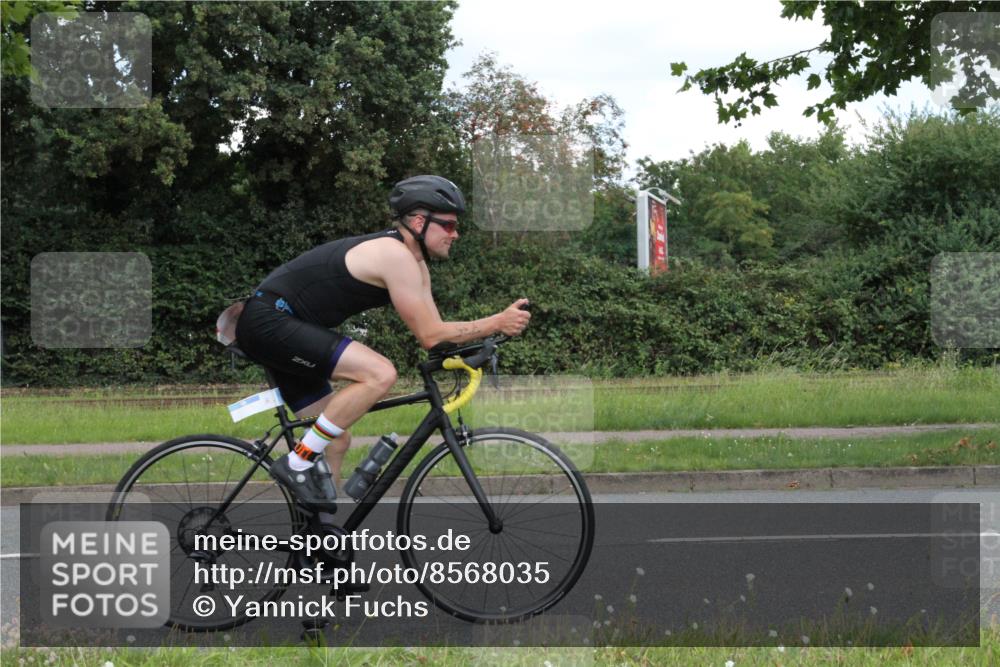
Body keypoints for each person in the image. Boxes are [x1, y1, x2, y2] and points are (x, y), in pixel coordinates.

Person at [234, 175, 531, 512]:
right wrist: (496, 322)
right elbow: (432, 334)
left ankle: (316, 544)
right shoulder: (395, 255)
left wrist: (477, 347)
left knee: (335, 439)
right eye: (448, 225)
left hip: (285, 326)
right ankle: (297, 462)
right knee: (380, 373)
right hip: (269, 320)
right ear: (420, 222)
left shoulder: (417, 266)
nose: (455, 234)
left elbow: (434, 337)